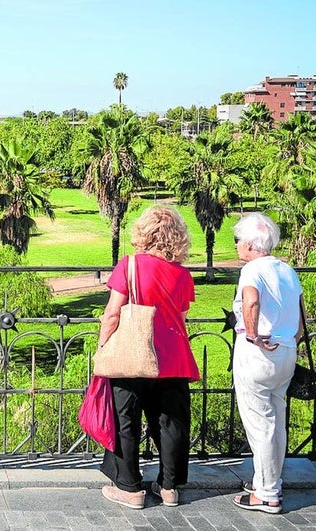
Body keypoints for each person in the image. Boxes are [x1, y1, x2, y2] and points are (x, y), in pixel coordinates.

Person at [98, 205, 200, 509]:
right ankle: (169, 488)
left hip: (133, 354)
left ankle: (130, 488)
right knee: (171, 422)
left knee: (125, 420)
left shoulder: (129, 265)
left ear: (144, 232)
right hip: (173, 357)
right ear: (177, 236)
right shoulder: (183, 274)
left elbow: (113, 312)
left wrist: (103, 347)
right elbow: (181, 315)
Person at [231, 213, 302, 515]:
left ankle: (267, 494)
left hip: (259, 353)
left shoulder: (252, 270)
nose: (236, 246)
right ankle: (269, 481)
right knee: (276, 419)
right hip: (286, 350)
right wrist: (292, 339)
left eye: (237, 241)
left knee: (260, 424)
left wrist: (253, 335)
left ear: (249, 244)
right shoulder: (287, 270)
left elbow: (251, 302)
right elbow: (301, 317)